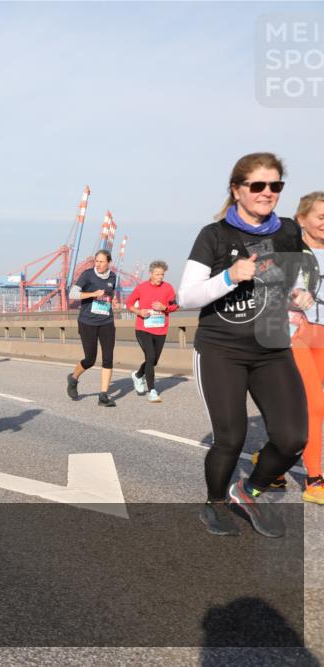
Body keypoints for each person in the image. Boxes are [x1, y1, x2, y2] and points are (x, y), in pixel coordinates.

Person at [178, 152, 310, 537]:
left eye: (275, 186)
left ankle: (246, 490)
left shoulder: (286, 230)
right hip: (221, 349)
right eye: (257, 185)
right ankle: (215, 503)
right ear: (237, 190)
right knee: (231, 438)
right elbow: (186, 297)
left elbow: (296, 276)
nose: (267, 193)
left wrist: (300, 294)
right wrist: (229, 277)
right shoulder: (214, 235)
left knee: (292, 439)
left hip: (271, 347)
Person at [282, 191, 324, 504]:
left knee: (302, 406)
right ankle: (313, 479)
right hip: (296, 332)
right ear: (302, 219)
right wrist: (292, 295)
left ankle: (272, 455)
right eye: (320, 217)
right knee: (314, 404)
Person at [67, 250, 118, 407]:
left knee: (108, 358)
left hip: (106, 321)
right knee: (90, 359)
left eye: (102, 261)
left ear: (108, 262)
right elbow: (72, 294)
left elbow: (110, 294)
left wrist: (113, 301)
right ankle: (73, 378)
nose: (98, 264)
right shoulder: (87, 275)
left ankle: (103, 396)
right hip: (87, 322)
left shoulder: (112, 277)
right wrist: (92, 293)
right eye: (97, 261)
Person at [126, 261, 179, 403]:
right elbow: (129, 304)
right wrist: (139, 312)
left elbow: (175, 306)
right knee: (150, 357)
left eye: (162, 274)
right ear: (150, 274)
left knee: (153, 361)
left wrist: (164, 307)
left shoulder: (168, 288)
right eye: (157, 274)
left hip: (161, 330)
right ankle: (152, 391)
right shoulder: (141, 288)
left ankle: (138, 375)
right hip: (143, 329)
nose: (160, 277)